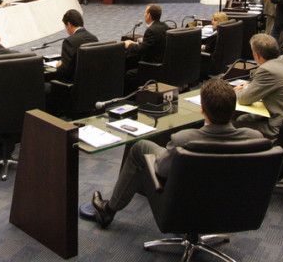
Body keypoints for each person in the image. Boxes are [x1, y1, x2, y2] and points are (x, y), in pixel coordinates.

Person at [89, 78, 262, 228]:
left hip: (188, 203)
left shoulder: (184, 140)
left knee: (140, 147)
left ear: (202, 110)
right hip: (231, 207)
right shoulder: (254, 138)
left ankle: (108, 210)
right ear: (234, 109)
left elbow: (162, 171)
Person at [233, 34, 283, 139]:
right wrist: (251, 86)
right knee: (244, 118)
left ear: (256, 55)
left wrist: (237, 91)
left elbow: (243, 99)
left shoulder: (266, 70)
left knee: (235, 126)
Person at [54, 9, 99, 82]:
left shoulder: (69, 41)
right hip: (92, 83)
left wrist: (59, 66)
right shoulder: (94, 39)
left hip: (73, 85)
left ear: (69, 25)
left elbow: (64, 72)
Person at [124, 4, 169, 68]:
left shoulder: (151, 30)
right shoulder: (164, 26)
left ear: (149, 15)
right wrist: (137, 43)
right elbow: (151, 44)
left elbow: (141, 50)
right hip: (162, 61)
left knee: (129, 72)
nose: (144, 15)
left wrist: (129, 45)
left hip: (152, 65)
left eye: (145, 12)